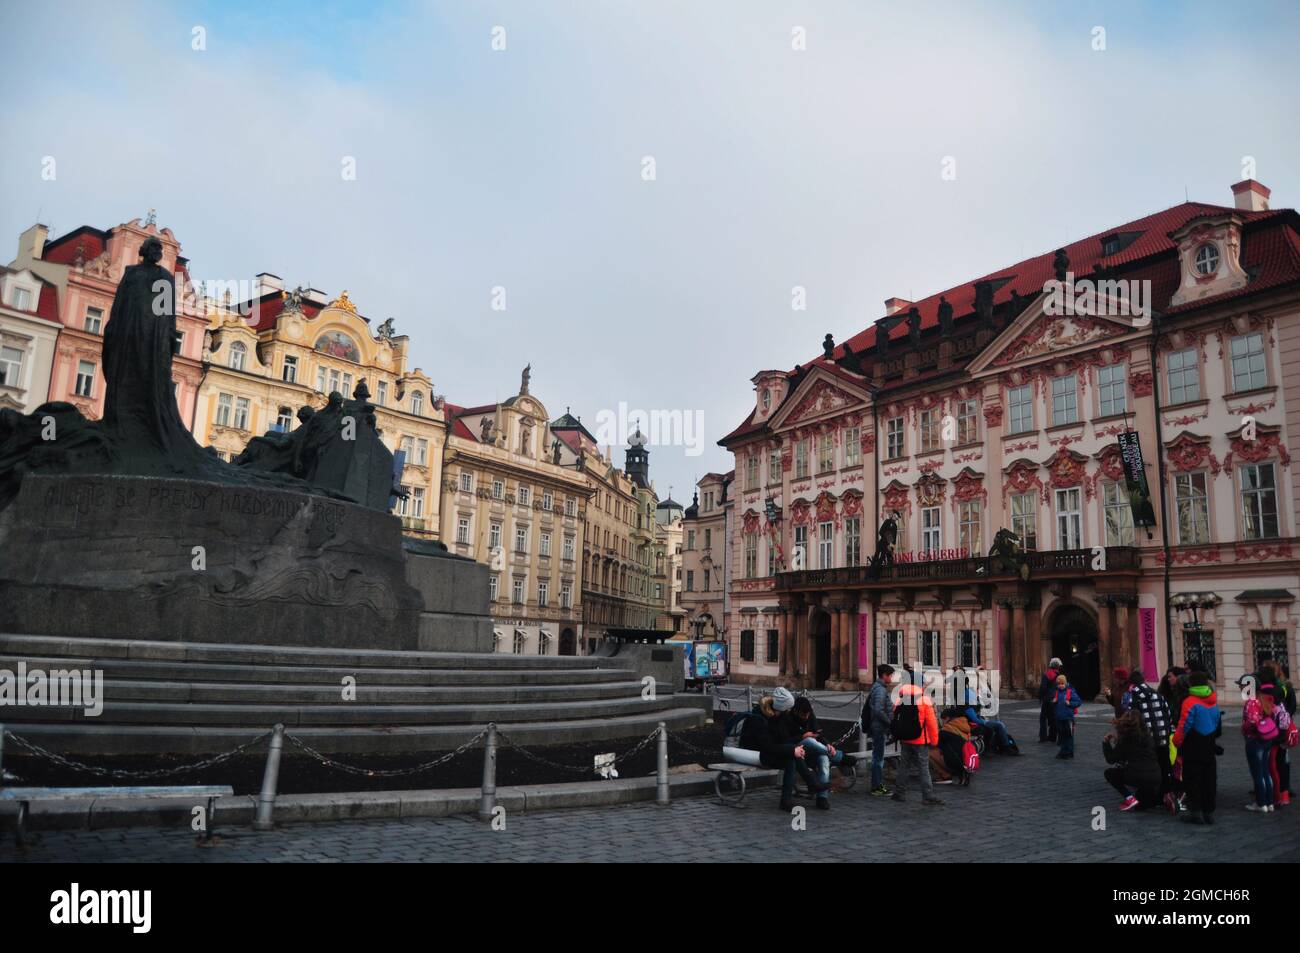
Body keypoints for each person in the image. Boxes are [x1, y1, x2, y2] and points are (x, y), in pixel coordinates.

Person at [742, 687, 820, 811]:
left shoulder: (780, 716)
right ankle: (810, 785)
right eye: (788, 708)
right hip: (755, 752)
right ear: (782, 708)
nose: (790, 711)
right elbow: (766, 746)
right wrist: (792, 750)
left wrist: (796, 748)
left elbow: (783, 739)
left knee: (792, 758)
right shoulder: (759, 718)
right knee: (791, 756)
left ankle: (789, 799)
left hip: (769, 751)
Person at [1171, 671, 1222, 824]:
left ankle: (1195, 812)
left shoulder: (1190, 701)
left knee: (1192, 779)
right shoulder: (1212, 700)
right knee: (1209, 780)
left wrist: (1176, 741)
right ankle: (1209, 812)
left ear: (1191, 684)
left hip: (1192, 745)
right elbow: (1217, 723)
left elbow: (1184, 724)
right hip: (1209, 744)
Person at [791, 695, 849, 810]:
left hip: (815, 751)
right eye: (804, 715)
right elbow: (786, 739)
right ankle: (839, 757)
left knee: (824, 759)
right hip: (799, 753)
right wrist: (802, 736)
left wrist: (827, 744)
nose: (806, 717)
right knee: (809, 740)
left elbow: (819, 734)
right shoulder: (789, 718)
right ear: (796, 711)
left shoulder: (810, 715)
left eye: (808, 714)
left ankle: (822, 798)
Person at [891, 680, 943, 805]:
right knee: (923, 768)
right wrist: (935, 741)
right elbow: (932, 723)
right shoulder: (924, 700)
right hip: (920, 740)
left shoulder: (900, 699)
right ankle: (928, 796)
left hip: (905, 739)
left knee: (904, 766)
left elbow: (894, 717)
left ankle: (899, 792)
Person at [1125, 668, 1174, 801]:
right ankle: (1166, 793)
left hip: (1146, 740)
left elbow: (1131, 721)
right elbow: (1168, 715)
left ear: (1132, 684)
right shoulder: (1158, 695)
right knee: (1164, 765)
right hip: (1163, 737)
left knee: (1148, 768)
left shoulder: (1134, 700)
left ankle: (1150, 796)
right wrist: (1167, 731)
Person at [1102, 710, 1162, 811]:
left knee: (1109, 773)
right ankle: (1163, 799)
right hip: (1155, 776)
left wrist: (1106, 743)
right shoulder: (1148, 736)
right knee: (1143, 805)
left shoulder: (1126, 738)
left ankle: (1129, 798)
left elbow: (1111, 759)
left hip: (1136, 775)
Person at [954, 666, 1019, 755]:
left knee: (998, 724)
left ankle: (1003, 746)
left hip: (975, 718)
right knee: (999, 725)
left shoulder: (966, 692)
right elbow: (972, 716)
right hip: (973, 722)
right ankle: (1005, 747)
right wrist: (983, 721)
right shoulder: (963, 697)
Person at [1242, 681, 1285, 813]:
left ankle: (1261, 803)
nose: (1241, 688)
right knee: (1266, 772)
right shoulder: (1264, 699)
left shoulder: (1251, 702)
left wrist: (1244, 727)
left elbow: (1252, 723)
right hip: (1267, 739)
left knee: (1258, 773)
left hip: (1255, 739)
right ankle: (1269, 802)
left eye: (1242, 686)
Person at [864, 664, 895, 796]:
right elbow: (878, 710)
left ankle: (877, 785)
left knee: (877, 756)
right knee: (878, 758)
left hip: (878, 727)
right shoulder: (880, 690)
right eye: (890, 676)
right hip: (879, 728)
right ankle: (876, 787)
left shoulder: (878, 688)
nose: (891, 679)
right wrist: (889, 721)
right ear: (884, 675)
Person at [938, 708, 975, 786]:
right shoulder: (963, 725)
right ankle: (963, 771)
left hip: (954, 761)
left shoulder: (946, 730)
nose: (942, 722)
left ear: (947, 718)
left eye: (942, 720)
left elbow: (936, 743)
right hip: (966, 758)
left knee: (931, 752)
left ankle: (945, 775)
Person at [1053, 673, 1082, 759]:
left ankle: (1069, 752)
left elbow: (1078, 702)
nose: (1060, 685)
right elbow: (1056, 705)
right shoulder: (1057, 692)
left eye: (1062, 684)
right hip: (1059, 717)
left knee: (1068, 736)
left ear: (1065, 683)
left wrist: (1070, 704)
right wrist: (1053, 702)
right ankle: (1063, 751)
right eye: (1059, 684)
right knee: (1061, 735)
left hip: (1068, 718)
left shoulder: (1070, 691)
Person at [1039, 657, 1063, 743]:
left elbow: (1043, 688)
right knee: (1053, 718)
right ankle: (1052, 737)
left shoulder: (1047, 674)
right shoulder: (1059, 676)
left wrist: (1041, 696)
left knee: (1043, 718)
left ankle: (1043, 737)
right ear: (1058, 666)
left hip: (1046, 699)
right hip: (1055, 699)